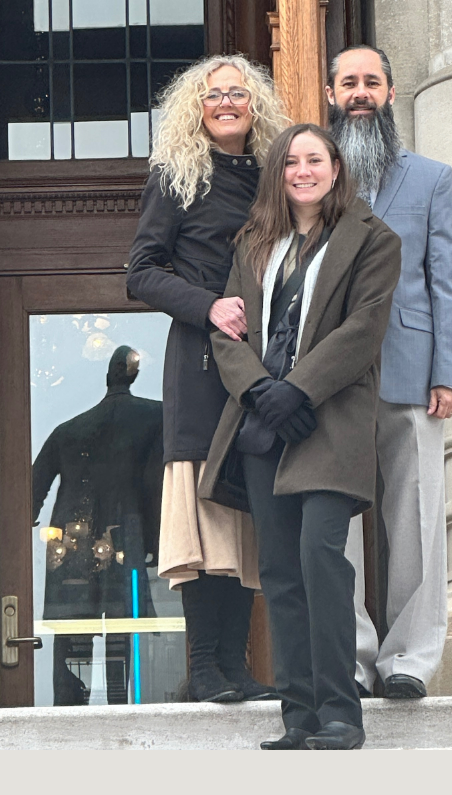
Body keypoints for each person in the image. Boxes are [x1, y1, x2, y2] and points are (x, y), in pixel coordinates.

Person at [199, 123, 401, 751]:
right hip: (265, 423)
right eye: (290, 162)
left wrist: (299, 390)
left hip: (331, 421)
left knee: (320, 559)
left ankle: (341, 712)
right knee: (281, 572)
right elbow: (228, 331)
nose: (302, 171)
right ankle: (299, 716)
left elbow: (364, 329)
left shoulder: (374, 238)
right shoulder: (254, 242)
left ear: (335, 169)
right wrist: (261, 391)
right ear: (278, 174)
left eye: (314, 160)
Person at [126, 55, 289, 702]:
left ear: (255, 106)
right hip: (199, 365)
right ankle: (203, 670)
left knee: (242, 514)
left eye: (237, 93)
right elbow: (141, 272)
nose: (226, 103)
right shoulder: (176, 177)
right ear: (197, 108)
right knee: (204, 514)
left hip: (261, 367)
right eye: (214, 94)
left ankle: (235, 668)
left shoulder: (275, 179)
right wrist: (209, 306)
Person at [327, 45, 452, 700]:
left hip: (413, 370)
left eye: (371, 81)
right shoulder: (311, 174)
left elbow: (446, 280)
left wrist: (451, 373)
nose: (360, 92)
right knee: (336, 523)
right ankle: (352, 660)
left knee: (417, 518)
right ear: (331, 95)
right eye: (348, 82)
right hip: (331, 375)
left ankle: (411, 657)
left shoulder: (432, 178)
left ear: (389, 91)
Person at [32, 346, 163, 705]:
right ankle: (118, 708)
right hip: (124, 542)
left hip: (73, 550)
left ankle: (68, 713)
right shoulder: (155, 418)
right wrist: (156, 539)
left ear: (108, 376)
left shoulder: (67, 431)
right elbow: (161, 483)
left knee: (73, 637)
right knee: (121, 635)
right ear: (133, 375)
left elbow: (29, 495)